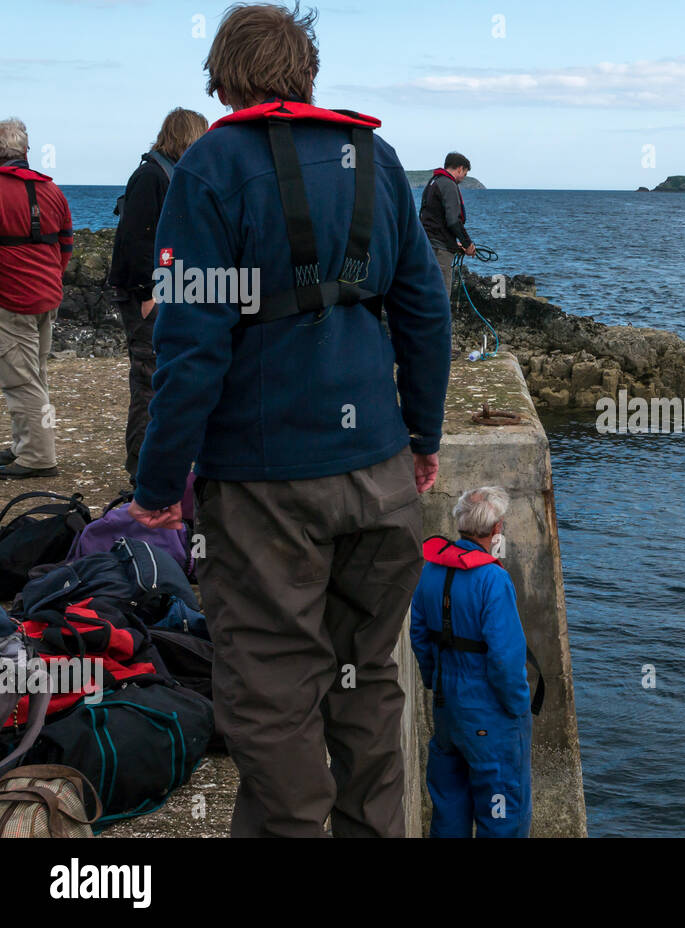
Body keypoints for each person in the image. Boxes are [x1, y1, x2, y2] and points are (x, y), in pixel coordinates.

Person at [127, 2, 452, 838]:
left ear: (226, 78)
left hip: (268, 485)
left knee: (272, 697)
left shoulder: (210, 166)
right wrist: (424, 438)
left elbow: (191, 345)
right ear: (304, 71)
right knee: (367, 680)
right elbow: (424, 310)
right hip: (377, 474)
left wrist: (160, 485)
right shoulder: (375, 159)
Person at [411, 487, 533, 838]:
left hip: (447, 708)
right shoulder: (493, 579)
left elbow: (418, 635)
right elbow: (506, 659)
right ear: (497, 529)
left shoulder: (431, 571)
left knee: (448, 806)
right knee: (502, 810)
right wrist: (518, 708)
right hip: (489, 714)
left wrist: (435, 679)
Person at [107, 107, 209, 483]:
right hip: (146, 296)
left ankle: (155, 467)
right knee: (150, 380)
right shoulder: (151, 176)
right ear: (188, 138)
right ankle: (140, 473)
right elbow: (135, 239)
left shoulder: (166, 173)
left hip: (164, 291)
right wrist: (149, 292)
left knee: (162, 377)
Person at [0, 117, 73, 479]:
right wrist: (52, 278)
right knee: (35, 374)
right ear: (25, 151)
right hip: (48, 295)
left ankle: (38, 458)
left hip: (13, 299)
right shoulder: (53, 190)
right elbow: (66, 246)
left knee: (21, 379)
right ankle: (24, 445)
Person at [419, 152, 475, 293]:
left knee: (427, 289)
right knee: (441, 293)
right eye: (465, 174)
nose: (463, 178)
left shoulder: (434, 181)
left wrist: (453, 243)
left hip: (428, 243)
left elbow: (430, 217)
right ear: (460, 169)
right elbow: (453, 221)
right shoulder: (449, 184)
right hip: (440, 250)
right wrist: (468, 244)